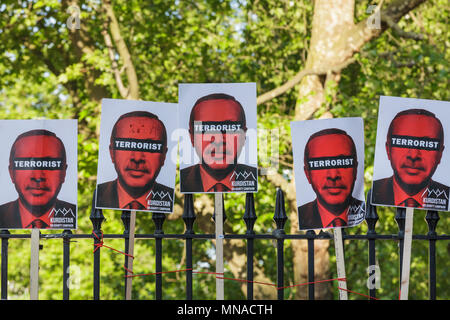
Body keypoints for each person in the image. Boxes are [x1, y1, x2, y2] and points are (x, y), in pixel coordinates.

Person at [96, 111, 174, 212]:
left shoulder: (170, 199)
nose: (137, 158)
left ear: (164, 155)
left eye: (149, 146)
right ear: (112, 153)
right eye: (127, 145)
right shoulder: (98, 195)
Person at [372, 109, 449, 210]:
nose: (413, 155)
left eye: (426, 144)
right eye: (403, 142)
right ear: (388, 149)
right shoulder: (373, 193)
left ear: (440, 154)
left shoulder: (447, 197)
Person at [180, 93, 257, 193]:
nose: (218, 140)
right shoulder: (179, 184)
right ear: (192, 137)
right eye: (207, 128)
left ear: (243, 135)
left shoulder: (256, 178)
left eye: (229, 128)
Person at [0, 129, 76, 229]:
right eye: (27, 164)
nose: (38, 176)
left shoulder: (73, 214)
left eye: (49, 164)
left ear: (64, 172)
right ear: (11, 172)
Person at [298, 128, 365, 230]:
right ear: (307, 174)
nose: (333, 175)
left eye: (342, 162)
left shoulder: (368, 216)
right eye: (321, 164)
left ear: (355, 169)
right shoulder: (302, 215)